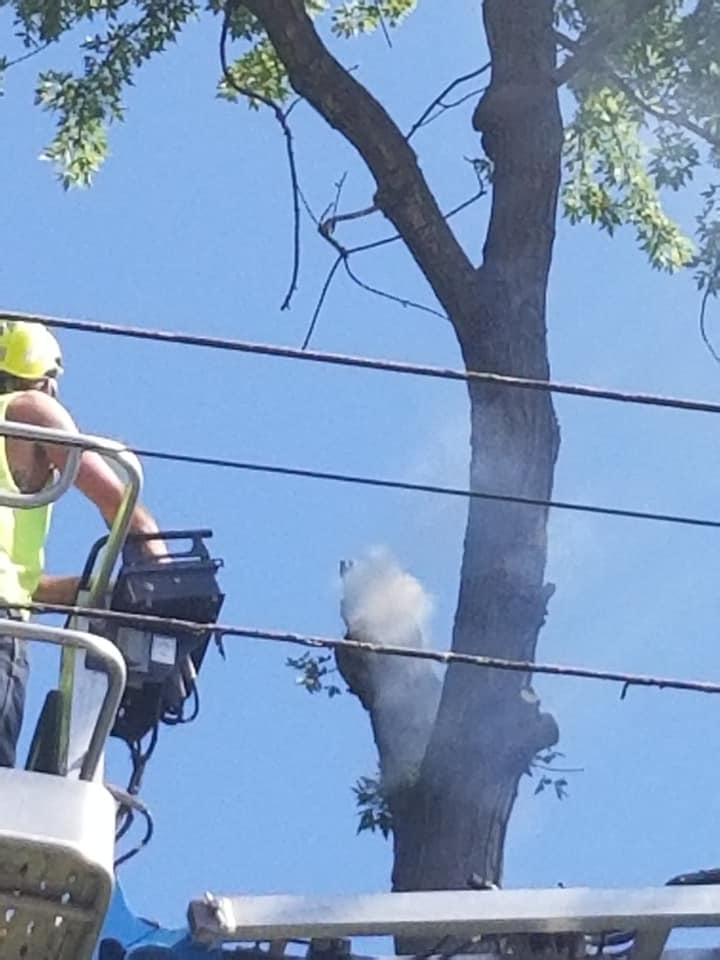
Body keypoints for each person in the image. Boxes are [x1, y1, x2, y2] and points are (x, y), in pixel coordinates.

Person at [0, 319, 166, 767]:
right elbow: (116, 500)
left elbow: (22, 581)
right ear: (44, 378)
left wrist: (95, 592)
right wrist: (159, 568)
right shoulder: (30, 408)